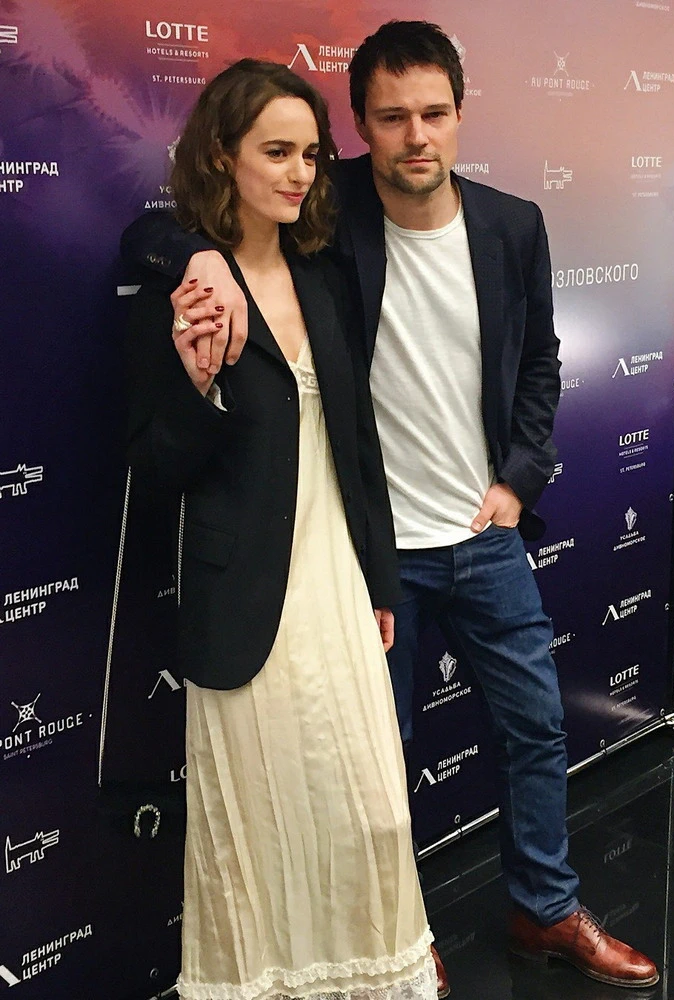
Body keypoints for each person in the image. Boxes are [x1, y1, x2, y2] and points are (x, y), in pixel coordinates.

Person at [122, 23, 659, 991]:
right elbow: (167, 231)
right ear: (362, 127)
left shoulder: (512, 225)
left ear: (460, 114)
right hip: (369, 551)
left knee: (537, 728)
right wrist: (194, 258)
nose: (417, 136)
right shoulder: (327, 220)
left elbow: (540, 362)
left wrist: (518, 480)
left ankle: (545, 909)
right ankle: (403, 941)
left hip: (482, 536)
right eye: (392, 117)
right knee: (376, 769)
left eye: (434, 113)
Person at [124, 58, 440, 1000]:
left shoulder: (325, 274)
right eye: (275, 152)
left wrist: (381, 580)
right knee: (257, 835)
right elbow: (156, 464)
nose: (300, 173)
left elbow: (358, 444)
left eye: (310, 153)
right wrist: (197, 384)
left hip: (337, 582)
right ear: (222, 156)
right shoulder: (189, 291)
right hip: (244, 595)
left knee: (372, 815)